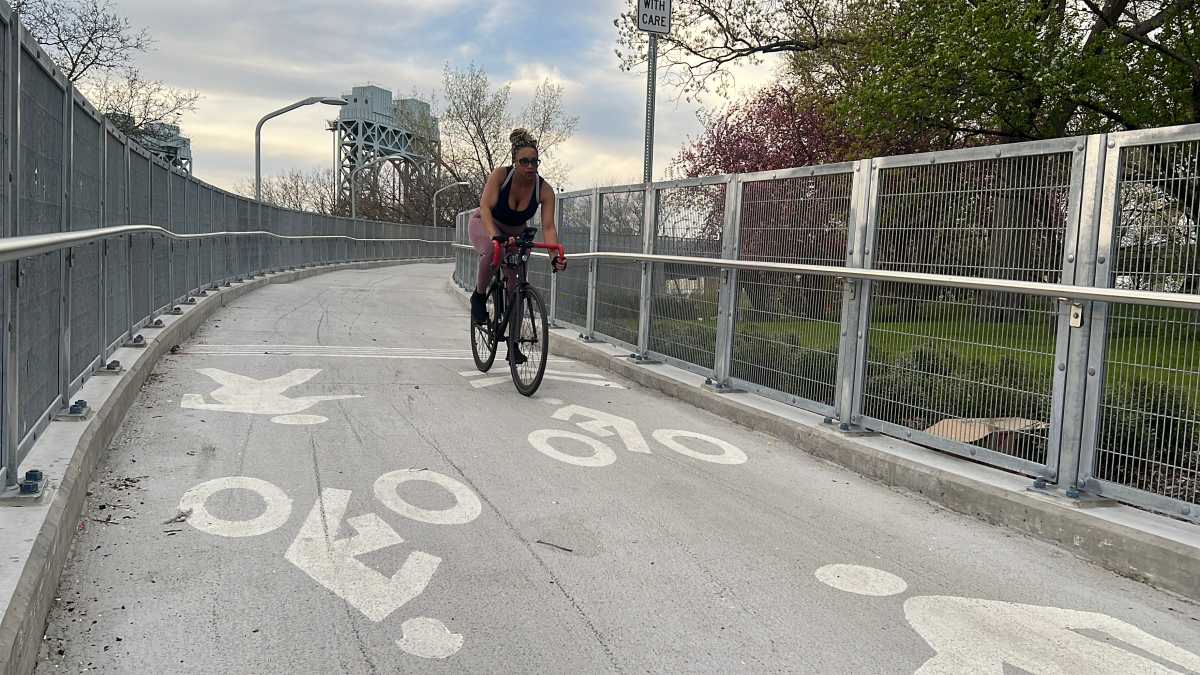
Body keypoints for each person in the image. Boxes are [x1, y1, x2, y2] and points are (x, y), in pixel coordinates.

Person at [468, 128, 566, 330]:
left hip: (516, 233)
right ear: (515, 161)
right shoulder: (501, 176)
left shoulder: (544, 190)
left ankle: (514, 343)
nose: (530, 167)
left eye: (534, 162)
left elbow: (548, 227)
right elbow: (485, 207)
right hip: (486, 223)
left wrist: (554, 256)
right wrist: (496, 236)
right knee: (492, 249)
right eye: (524, 161)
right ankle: (478, 296)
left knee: (517, 285)